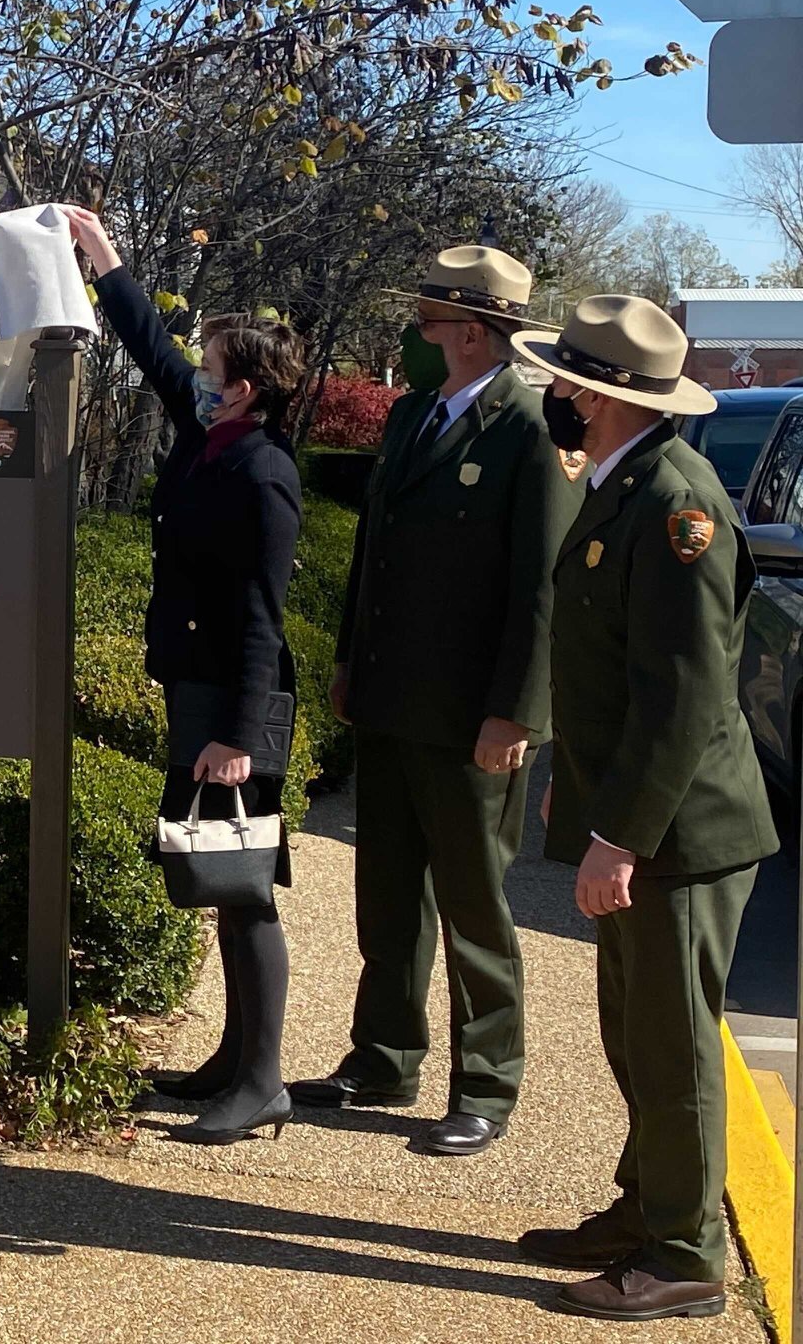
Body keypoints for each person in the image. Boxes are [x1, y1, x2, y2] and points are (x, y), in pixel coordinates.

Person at [511, 295, 776, 1322]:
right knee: (636, 1032)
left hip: (683, 831)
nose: (558, 396)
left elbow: (685, 696)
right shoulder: (623, 483)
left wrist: (619, 837)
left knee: (673, 1046)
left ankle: (685, 1254)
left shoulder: (676, 503)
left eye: (569, 383)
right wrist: (579, 801)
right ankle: (648, 1208)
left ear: (609, 397)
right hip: (641, 818)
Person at [290, 247, 584, 1157]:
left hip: (468, 718)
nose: (414, 333)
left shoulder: (529, 429)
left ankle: (486, 1084)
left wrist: (517, 713)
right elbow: (375, 557)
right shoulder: (417, 412)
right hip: (388, 699)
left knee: (473, 906)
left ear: (469, 329)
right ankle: (382, 1058)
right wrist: (348, 665)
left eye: (425, 319)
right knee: (386, 895)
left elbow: (541, 588)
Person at [68, 206, 305, 1145]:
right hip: (199, 688)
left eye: (212, 373)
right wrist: (104, 261)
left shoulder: (261, 475)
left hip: (234, 705)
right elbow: (155, 358)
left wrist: (239, 738)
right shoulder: (211, 440)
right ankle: (232, 1060)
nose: (197, 382)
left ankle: (263, 1082)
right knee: (215, 874)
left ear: (242, 391)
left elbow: (262, 614)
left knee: (245, 885)